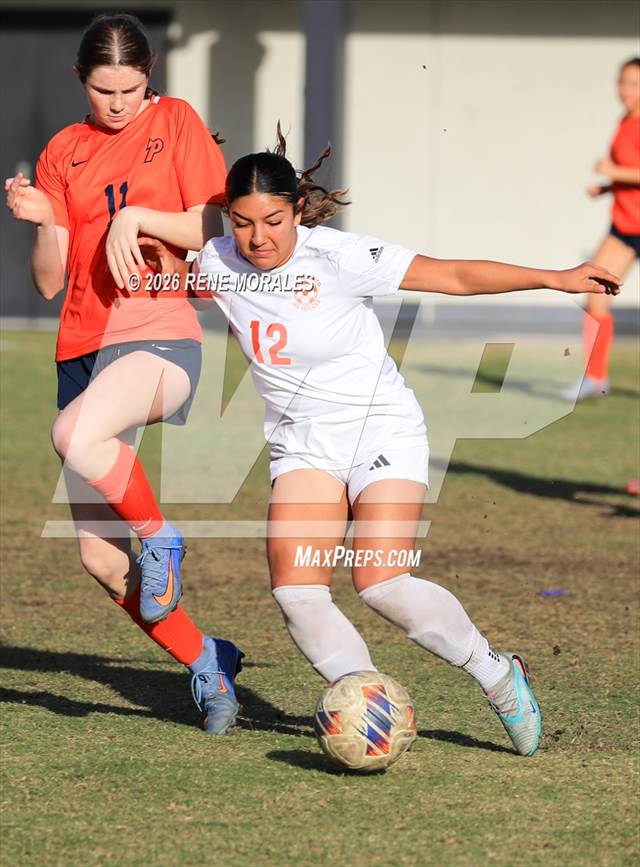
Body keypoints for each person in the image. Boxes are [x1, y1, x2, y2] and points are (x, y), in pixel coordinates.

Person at [142, 129, 621, 755]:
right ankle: (365, 703)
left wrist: (556, 277)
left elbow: (451, 274)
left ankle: (500, 677)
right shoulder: (219, 260)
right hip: (304, 444)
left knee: (381, 581)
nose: (258, 238)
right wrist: (140, 241)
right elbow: (169, 266)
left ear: (296, 210)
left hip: (380, 428)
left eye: (274, 220)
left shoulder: (339, 257)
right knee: (298, 592)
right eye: (242, 222)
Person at [4, 12, 242, 735]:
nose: (118, 103)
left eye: (130, 89)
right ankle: (207, 660)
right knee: (103, 561)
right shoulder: (62, 150)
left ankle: (163, 537)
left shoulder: (176, 121)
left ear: (152, 77)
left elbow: (213, 225)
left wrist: (134, 216)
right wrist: (47, 219)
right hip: (81, 345)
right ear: (82, 80)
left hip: (158, 328)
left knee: (73, 432)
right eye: (104, 90)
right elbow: (49, 283)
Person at [563, 57, 640, 401]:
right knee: (595, 291)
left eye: (634, 84)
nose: (625, 90)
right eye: (622, 82)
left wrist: (612, 171)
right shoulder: (624, 121)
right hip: (626, 225)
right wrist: (607, 187)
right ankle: (595, 379)